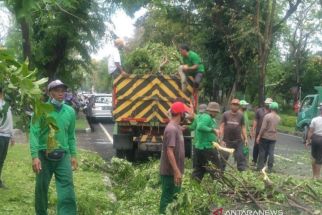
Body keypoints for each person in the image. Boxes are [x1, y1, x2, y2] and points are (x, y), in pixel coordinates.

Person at [29, 80, 78, 215]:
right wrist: (35, 156)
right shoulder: (41, 110)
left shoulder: (70, 112)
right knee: (41, 188)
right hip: (44, 155)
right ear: (50, 93)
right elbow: (34, 133)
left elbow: (71, 135)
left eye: (63, 90)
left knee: (67, 188)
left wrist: (73, 155)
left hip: (63, 155)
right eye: (57, 90)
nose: (60, 93)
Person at [160, 102, 188, 214]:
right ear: (181, 114)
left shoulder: (176, 127)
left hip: (175, 171)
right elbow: (169, 151)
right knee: (167, 198)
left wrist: (181, 127)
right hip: (170, 172)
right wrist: (176, 171)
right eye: (184, 113)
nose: (185, 115)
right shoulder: (171, 129)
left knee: (175, 197)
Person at [192, 102, 222, 181]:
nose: (216, 113)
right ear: (212, 111)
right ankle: (217, 185)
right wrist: (213, 130)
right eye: (216, 112)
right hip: (206, 148)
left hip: (200, 148)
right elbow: (200, 127)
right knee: (216, 168)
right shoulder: (207, 117)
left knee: (200, 169)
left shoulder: (206, 117)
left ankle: (194, 185)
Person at [219, 99, 248, 171]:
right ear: (231, 105)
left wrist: (246, 138)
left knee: (240, 157)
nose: (235, 106)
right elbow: (222, 125)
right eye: (233, 104)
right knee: (223, 158)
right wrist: (220, 137)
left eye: (237, 105)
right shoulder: (225, 114)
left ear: (238, 106)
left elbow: (243, 127)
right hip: (226, 140)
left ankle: (242, 174)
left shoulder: (241, 115)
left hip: (238, 141)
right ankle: (220, 173)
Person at [256, 102, 280, 172]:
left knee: (262, 152)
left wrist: (259, 136)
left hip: (265, 136)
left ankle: (260, 167)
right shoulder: (278, 118)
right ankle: (270, 167)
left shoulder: (267, 116)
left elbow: (263, 127)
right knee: (271, 152)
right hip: (273, 137)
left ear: (270, 108)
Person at [0, 87, 14, 188]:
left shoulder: (7, 106)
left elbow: (10, 121)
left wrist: (12, 136)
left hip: (6, 136)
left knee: (2, 159)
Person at [251, 98, 273, 166]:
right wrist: (253, 129)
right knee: (256, 146)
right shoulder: (259, 110)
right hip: (258, 131)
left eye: (269, 103)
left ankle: (263, 162)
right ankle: (254, 161)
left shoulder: (272, 112)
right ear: (264, 103)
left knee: (265, 148)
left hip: (267, 133)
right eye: (267, 103)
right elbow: (256, 120)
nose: (267, 104)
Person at [186, 103, 207, 168]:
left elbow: (192, 127)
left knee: (197, 161)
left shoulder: (197, 117)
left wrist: (186, 127)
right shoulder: (207, 118)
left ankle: (196, 171)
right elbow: (192, 127)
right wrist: (186, 126)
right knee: (204, 161)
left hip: (198, 143)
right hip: (203, 144)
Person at [306, 103, 322, 179]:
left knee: (313, 157)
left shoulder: (314, 119)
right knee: (319, 159)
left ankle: (313, 175)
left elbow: (310, 131)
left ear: (320, 110)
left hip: (315, 139)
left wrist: (308, 140)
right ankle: (318, 176)